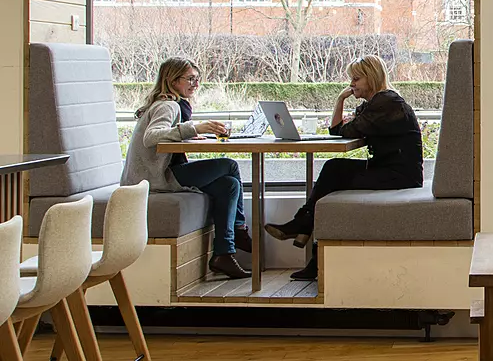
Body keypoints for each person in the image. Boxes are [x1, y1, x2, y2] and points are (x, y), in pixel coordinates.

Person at [266, 55, 423, 280]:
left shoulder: (387, 103)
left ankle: (304, 229)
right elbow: (338, 130)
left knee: (334, 171)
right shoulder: (376, 104)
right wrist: (340, 99)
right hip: (389, 170)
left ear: (371, 78)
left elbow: (341, 131)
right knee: (334, 171)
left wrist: (341, 101)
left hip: (400, 176)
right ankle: (307, 239)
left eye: (356, 79)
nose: (352, 84)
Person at [122, 58, 251, 280]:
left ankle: (224, 254)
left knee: (228, 185)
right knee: (229, 165)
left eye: (197, 79)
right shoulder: (168, 105)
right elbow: (151, 137)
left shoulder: (171, 104)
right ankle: (239, 229)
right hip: (153, 178)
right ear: (172, 80)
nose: (196, 84)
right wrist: (191, 128)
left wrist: (191, 133)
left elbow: (168, 138)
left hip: (162, 173)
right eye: (190, 79)